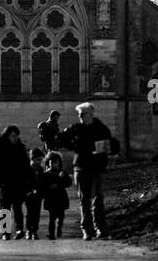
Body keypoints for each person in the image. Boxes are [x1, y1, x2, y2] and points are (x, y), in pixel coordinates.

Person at [58, 101, 113, 240]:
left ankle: (100, 228)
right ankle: (87, 230)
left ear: (91, 114)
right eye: (79, 115)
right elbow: (61, 138)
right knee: (84, 200)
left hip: (97, 167)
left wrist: (104, 151)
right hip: (81, 167)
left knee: (97, 199)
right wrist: (73, 145)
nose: (80, 117)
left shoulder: (101, 128)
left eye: (83, 114)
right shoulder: (75, 128)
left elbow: (110, 144)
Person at [0, 125, 31, 241]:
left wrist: (28, 181)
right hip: (4, 183)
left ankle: (19, 229)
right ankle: (5, 232)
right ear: (7, 136)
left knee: (18, 207)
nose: (15, 138)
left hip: (18, 182)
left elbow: (26, 165)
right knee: (4, 208)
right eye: (13, 136)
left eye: (16, 136)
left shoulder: (20, 148)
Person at [41, 151, 71, 239]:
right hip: (51, 199)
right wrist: (49, 188)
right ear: (48, 162)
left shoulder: (62, 172)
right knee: (52, 218)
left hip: (61, 198)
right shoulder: (46, 174)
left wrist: (62, 179)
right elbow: (43, 186)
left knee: (61, 216)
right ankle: (51, 233)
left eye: (56, 162)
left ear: (59, 163)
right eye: (51, 162)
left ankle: (59, 228)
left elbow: (68, 183)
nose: (53, 164)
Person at [25, 147, 45, 240]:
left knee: (36, 213)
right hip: (29, 194)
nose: (39, 162)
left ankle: (34, 230)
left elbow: (41, 182)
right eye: (38, 160)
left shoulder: (40, 169)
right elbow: (25, 181)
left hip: (38, 195)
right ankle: (29, 229)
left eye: (40, 160)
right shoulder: (28, 169)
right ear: (32, 158)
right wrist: (29, 190)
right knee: (30, 212)